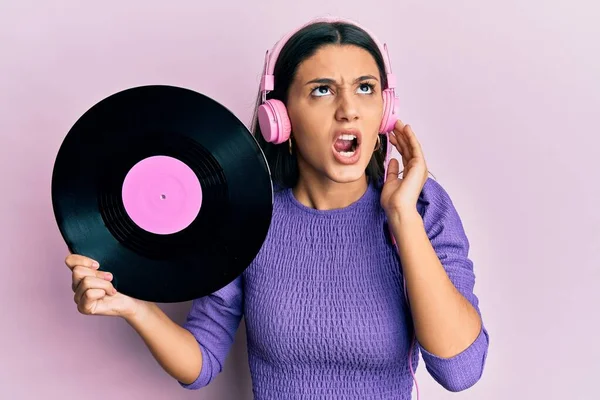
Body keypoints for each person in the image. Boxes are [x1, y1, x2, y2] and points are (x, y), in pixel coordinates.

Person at [65, 16, 489, 399]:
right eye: (322, 90)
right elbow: (201, 362)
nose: (348, 110)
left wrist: (403, 219)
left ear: (384, 110)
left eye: (365, 88)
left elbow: (460, 371)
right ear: (279, 120)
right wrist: (132, 307)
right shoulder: (247, 214)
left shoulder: (423, 207)